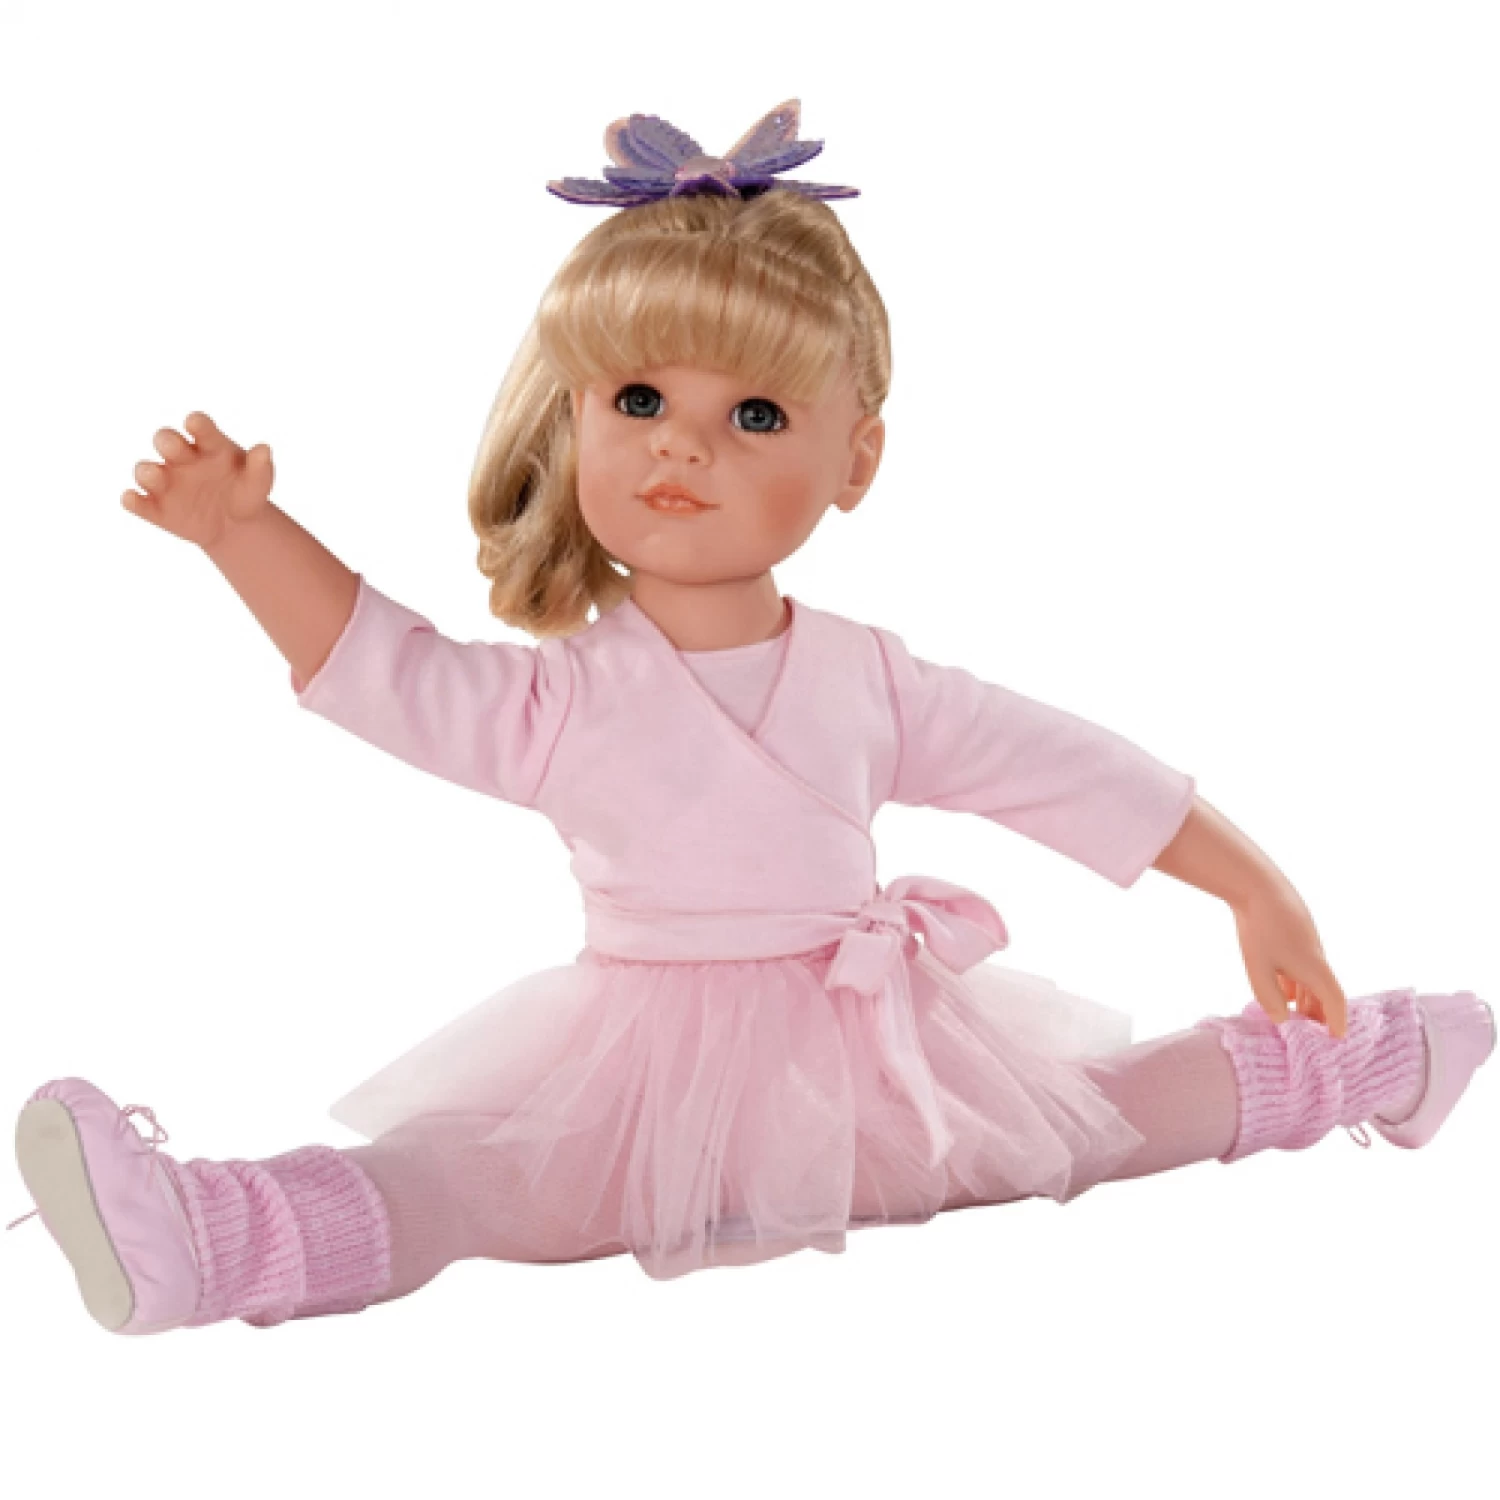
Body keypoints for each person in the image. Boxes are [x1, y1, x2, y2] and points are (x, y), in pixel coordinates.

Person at [10, 100, 1493, 1337]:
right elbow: (387, 672)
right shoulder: (564, 697)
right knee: (458, 1187)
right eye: (638, 401)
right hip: (629, 1083)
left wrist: (1258, 888)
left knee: (1107, 1117)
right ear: (573, 420)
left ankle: (1380, 1059)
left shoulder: (872, 683)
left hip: (877, 1067)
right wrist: (244, 536)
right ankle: (213, 1239)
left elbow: (1065, 769)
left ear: (857, 459)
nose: (683, 451)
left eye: (756, 417)